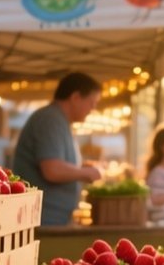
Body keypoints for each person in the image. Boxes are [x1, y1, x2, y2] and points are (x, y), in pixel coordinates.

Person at [12, 72, 104, 226]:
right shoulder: (51, 119)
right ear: (75, 97)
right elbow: (52, 170)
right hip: (44, 218)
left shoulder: (59, 120)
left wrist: (79, 169)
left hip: (51, 217)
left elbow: (55, 164)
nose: (93, 109)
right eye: (92, 102)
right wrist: (85, 172)